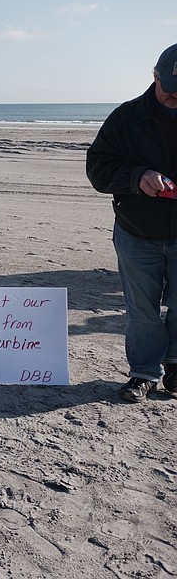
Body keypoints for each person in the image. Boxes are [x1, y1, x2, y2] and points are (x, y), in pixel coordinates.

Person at [86, 43, 177, 402]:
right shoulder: (125, 118)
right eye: (170, 89)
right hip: (137, 231)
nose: (175, 98)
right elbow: (98, 170)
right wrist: (137, 177)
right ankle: (143, 373)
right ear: (154, 75)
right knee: (142, 309)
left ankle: (175, 366)